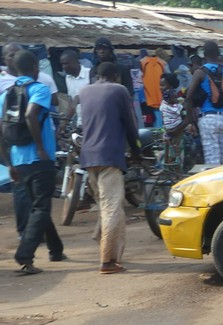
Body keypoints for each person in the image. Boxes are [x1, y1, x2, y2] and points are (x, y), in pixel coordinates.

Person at [1, 50, 64, 275]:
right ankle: (24, 255)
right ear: (36, 67)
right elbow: (30, 115)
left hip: (17, 161)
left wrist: (8, 163)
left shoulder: (6, 93)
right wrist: (40, 147)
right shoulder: (39, 89)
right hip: (40, 158)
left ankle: (56, 250)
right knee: (40, 207)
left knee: (39, 204)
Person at [77, 61, 140, 274]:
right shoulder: (119, 90)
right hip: (110, 156)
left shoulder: (84, 91)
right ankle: (108, 260)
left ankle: (103, 241)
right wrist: (137, 151)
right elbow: (130, 125)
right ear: (116, 75)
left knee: (105, 205)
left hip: (88, 158)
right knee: (112, 207)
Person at [185, 41, 223, 165]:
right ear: (219, 53)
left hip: (208, 118)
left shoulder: (200, 72)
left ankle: (216, 184)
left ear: (204, 54)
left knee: (212, 160)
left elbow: (188, 97)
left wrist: (190, 122)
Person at [139, 47, 166, 123]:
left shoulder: (142, 62)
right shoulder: (162, 63)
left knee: (149, 121)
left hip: (148, 97)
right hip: (159, 96)